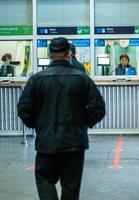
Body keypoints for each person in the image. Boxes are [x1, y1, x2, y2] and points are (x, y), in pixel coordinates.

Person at [17, 37, 106, 200]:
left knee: (44, 179)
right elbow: (98, 108)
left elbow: (24, 109)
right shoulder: (82, 78)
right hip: (74, 143)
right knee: (71, 186)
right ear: (69, 53)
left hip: (46, 141)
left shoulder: (36, 79)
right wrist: (83, 123)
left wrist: (38, 125)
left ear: (50, 54)